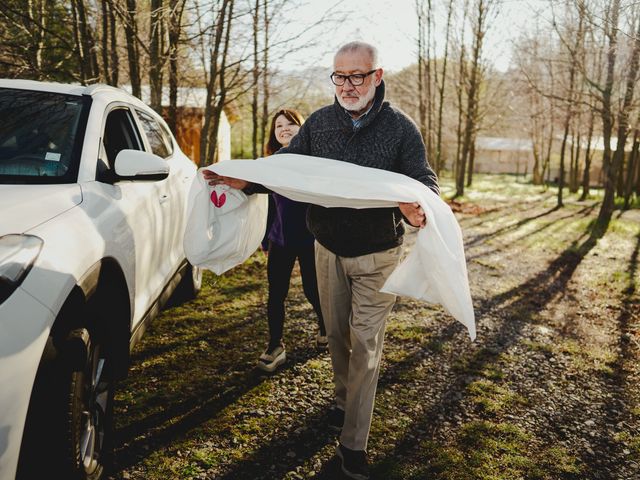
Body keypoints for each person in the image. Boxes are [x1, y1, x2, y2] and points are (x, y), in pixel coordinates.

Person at [205, 41, 439, 480]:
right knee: (336, 335)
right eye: (340, 76)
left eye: (357, 76)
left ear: (378, 76)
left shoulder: (400, 128)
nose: (347, 86)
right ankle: (340, 399)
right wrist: (246, 178)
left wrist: (417, 204)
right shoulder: (319, 124)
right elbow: (285, 169)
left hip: (378, 256)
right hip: (326, 251)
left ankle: (353, 445)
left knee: (366, 348)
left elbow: (423, 178)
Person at [257, 108, 327, 373]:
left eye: (291, 124)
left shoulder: (314, 160)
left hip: (311, 238)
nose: (284, 128)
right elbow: (270, 206)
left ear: (302, 129)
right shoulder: (271, 164)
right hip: (281, 238)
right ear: (273, 134)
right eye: (278, 126)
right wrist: (266, 239)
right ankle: (275, 345)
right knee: (276, 293)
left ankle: (325, 329)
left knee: (313, 289)